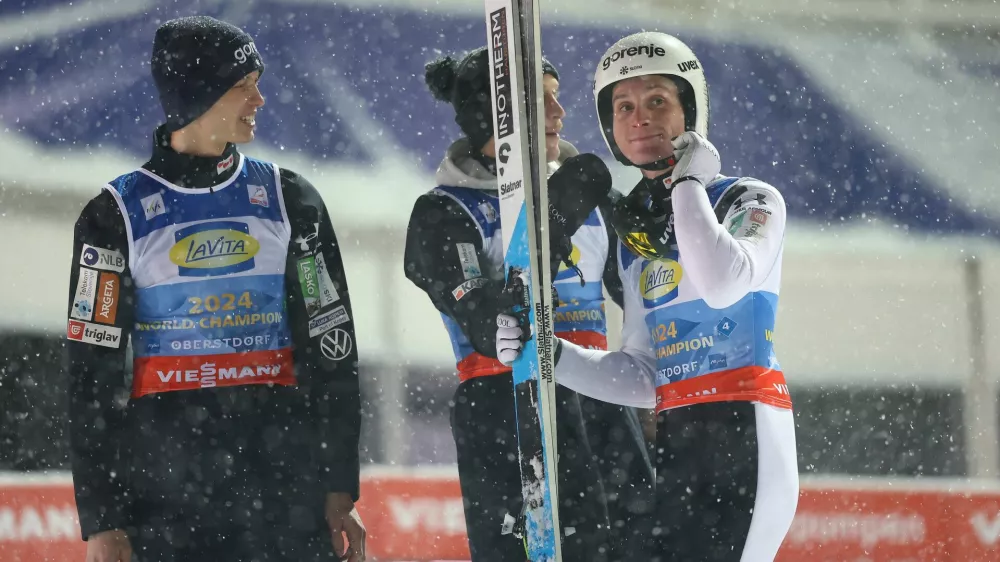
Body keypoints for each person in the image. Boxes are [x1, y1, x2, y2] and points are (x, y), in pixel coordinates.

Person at [65, 16, 365, 562]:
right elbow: (90, 375)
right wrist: (102, 520)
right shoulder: (114, 215)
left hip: (285, 497)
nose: (260, 99)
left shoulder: (290, 199)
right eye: (243, 84)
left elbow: (332, 349)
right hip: (168, 505)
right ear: (197, 92)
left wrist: (340, 483)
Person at [496, 31, 800, 561]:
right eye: (624, 106)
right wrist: (548, 355)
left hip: (747, 432)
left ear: (691, 111)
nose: (641, 118)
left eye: (658, 100)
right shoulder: (634, 243)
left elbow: (722, 283)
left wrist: (687, 185)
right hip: (679, 441)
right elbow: (644, 375)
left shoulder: (750, 198)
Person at [404, 47, 654, 561]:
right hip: (507, 405)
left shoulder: (587, 190)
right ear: (495, 116)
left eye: (557, 99)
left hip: (601, 397)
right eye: (541, 102)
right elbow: (484, 316)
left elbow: (648, 294)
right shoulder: (445, 209)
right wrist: (556, 209)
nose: (560, 114)